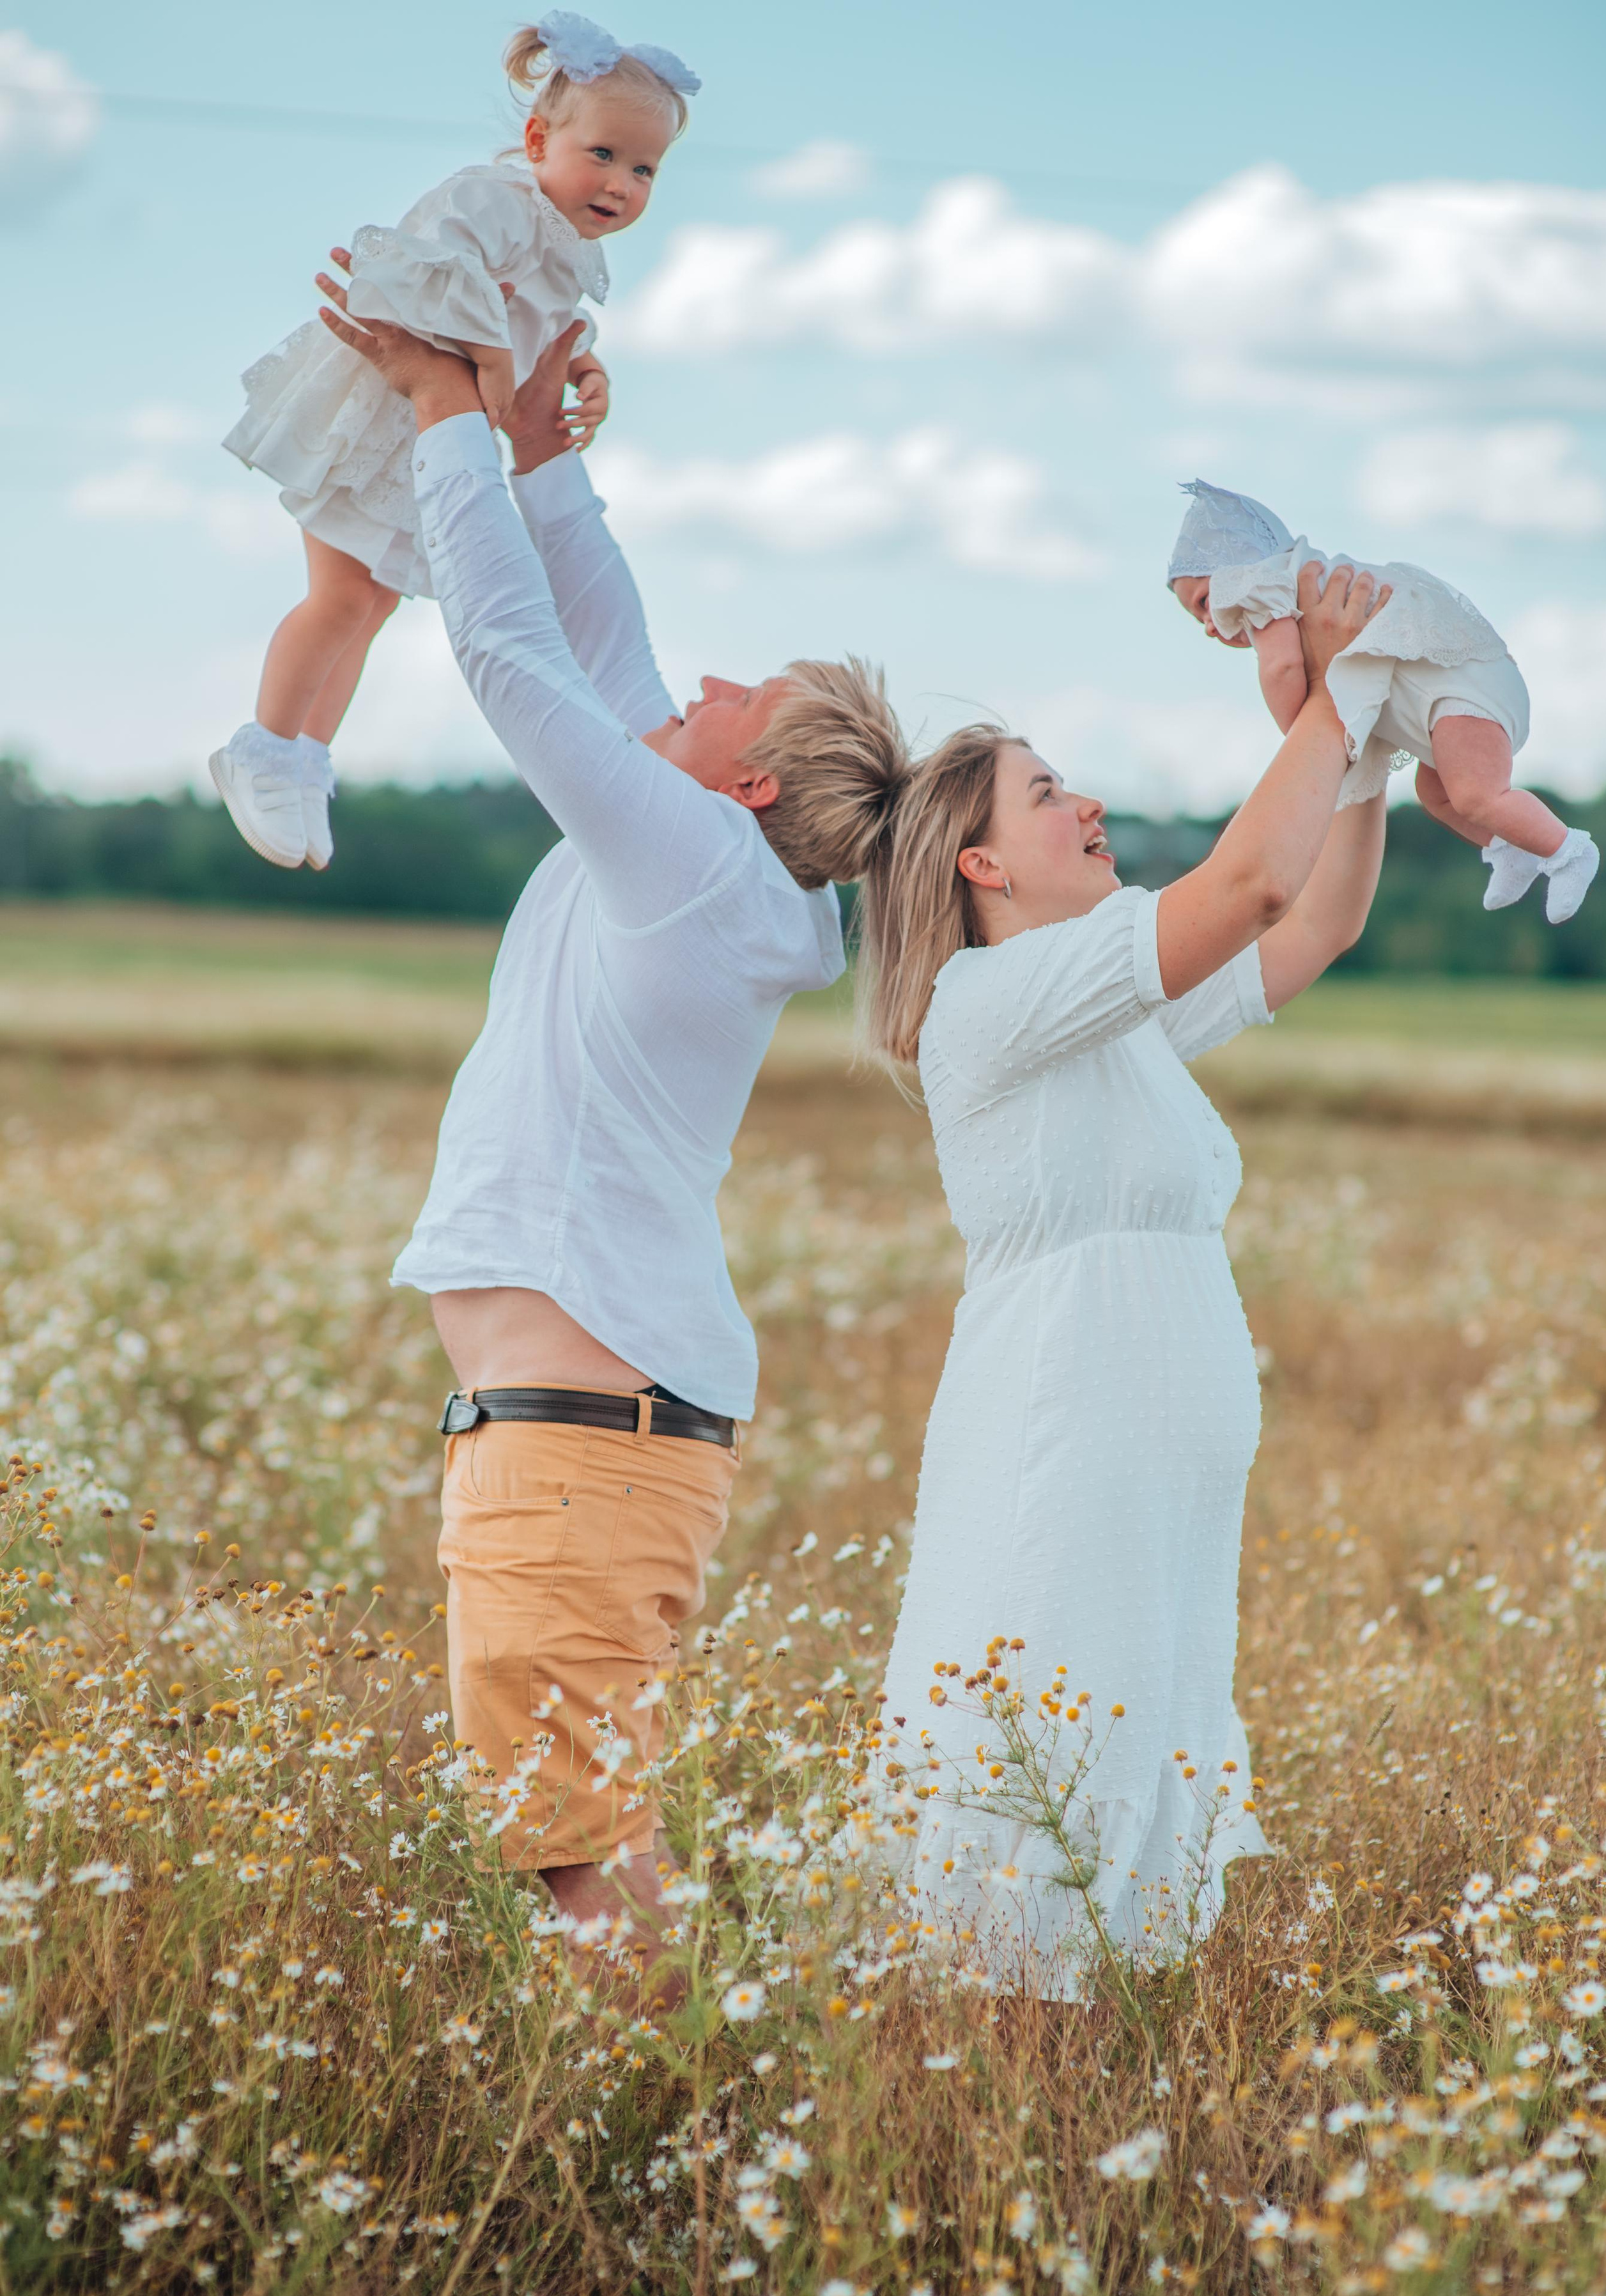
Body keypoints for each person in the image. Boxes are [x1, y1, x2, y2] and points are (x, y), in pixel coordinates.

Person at [313, 272, 911, 1996]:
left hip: (580, 1436)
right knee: (586, 1833)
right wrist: (539, 454)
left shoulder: (695, 862)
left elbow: (514, 652)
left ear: (741, 787)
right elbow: (610, 642)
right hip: (595, 1427)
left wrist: (443, 416)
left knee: (581, 1854)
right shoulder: (727, 865)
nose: (705, 675)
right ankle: (687, 2119)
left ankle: (668, 2147)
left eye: (747, 691)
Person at [861, 559, 1393, 1997]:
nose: (1083, 804)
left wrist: (1369, 741)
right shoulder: (986, 1005)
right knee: (1042, 1778)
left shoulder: (1111, 1011)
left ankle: (1041, 2122)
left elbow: (1315, 920)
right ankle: (974, 2129)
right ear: (977, 867)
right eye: (1045, 795)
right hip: (1066, 1448)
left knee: (1120, 1773)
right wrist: (1326, 698)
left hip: (1156, 1488)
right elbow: (1248, 880)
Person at [211, 12, 699, 873]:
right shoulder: (494, 202)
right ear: (539, 137)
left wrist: (584, 371)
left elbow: (543, 336)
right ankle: (262, 744)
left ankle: (307, 757)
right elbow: (417, 270)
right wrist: (488, 354)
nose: (621, 182)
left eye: (645, 168)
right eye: (604, 155)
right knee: (336, 599)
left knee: (372, 605)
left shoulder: (569, 250)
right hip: (379, 425)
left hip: (431, 440)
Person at [1168, 479, 1598, 923]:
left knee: (1474, 795)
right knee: (1436, 795)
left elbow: (1282, 669)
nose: (1209, 626)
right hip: (1449, 694)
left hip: (1460, 687)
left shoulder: (1257, 587)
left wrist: (1299, 735)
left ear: (1232, 572)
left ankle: (1568, 851)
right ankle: (1509, 848)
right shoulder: (1290, 582)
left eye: (1203, 603)